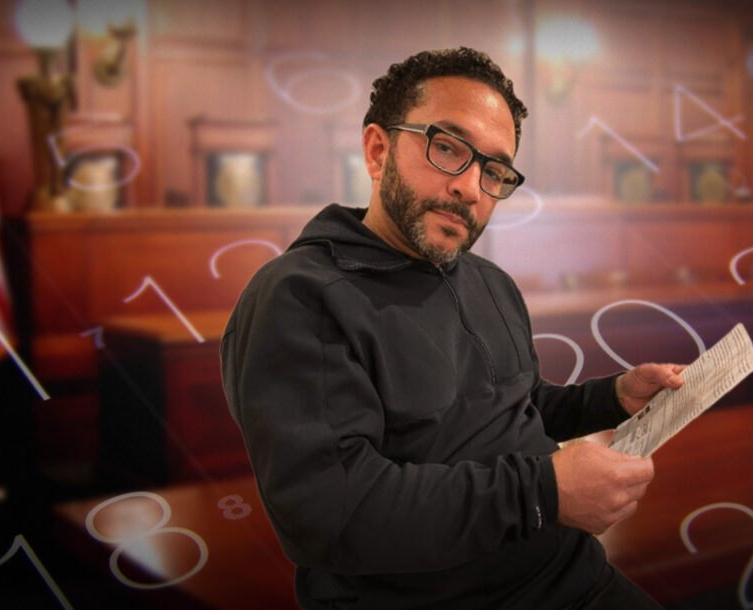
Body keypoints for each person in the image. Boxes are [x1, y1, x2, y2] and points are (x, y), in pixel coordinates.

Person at [220, 47, 685, 609]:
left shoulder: (489, 281)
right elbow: (331, 513)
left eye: (493, 170)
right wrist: (543, 492)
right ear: (377, 150)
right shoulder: (300, 298)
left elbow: (514, 406)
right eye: (447, 148)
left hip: (572, 581)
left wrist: (609, 398)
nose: (470, 187)